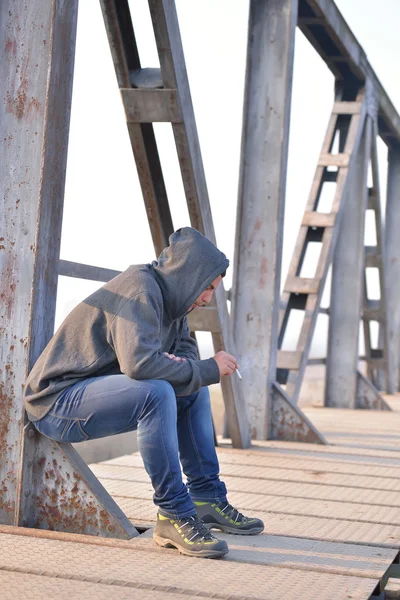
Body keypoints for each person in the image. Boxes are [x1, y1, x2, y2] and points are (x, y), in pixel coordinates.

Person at [24, 227, 264, 558]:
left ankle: (207, 497)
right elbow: (140, 364)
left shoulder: (174, 305)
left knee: (191, 391)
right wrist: (208, 368)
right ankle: (174, 514)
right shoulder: (141, 290)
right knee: (158, 392)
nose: (208, 298)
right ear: (187, 274)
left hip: (91, 395)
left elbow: (185, 357)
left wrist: (197, 371)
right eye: (206, 287)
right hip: (56, 402)